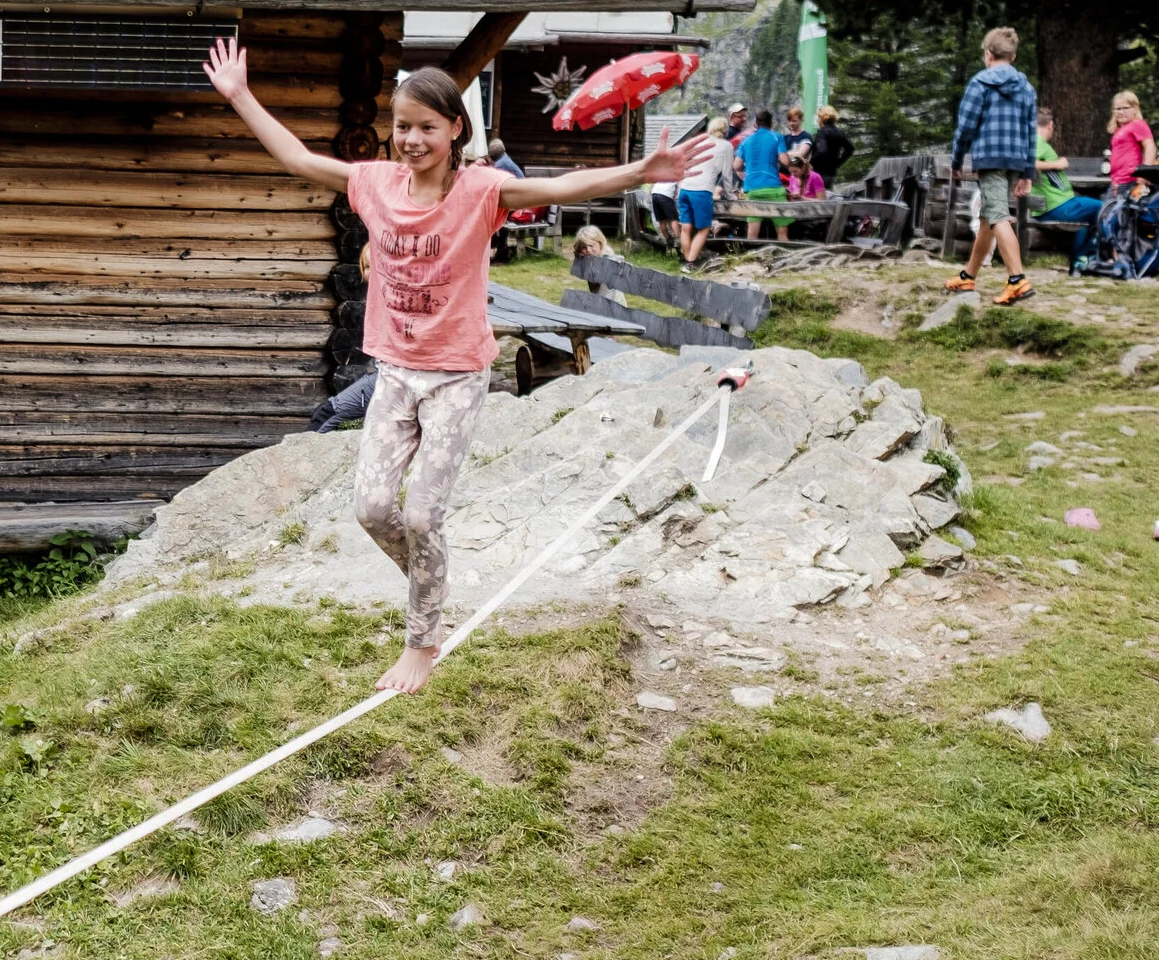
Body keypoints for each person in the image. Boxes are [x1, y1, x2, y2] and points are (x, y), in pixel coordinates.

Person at [202, 38, 710, 694]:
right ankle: (428, 585)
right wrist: (241, 94)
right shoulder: (374, 184)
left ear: (455, 131)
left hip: (457, 377)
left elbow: (557, 185)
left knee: (421, 518)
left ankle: (423, 640)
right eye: (401, 128)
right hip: (395, 372)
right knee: (372, 508)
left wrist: (638, 173)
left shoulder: (480, 191)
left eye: (425, 128)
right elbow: (299, 158)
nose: (411, 140)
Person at [945, 26, 1038, 305]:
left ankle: (1017, 280)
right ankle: (968, 276)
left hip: (990, 158)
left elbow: (965, 127)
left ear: (988, 54)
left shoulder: (980, 83)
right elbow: (1031, 132)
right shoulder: (1027, 87)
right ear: (1013, 55)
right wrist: (1027, 171)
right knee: (987, 218)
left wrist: (957, 159)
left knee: (997, 215)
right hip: (1015, 159)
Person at [1034, 107, 1102, 264]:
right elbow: (1028, 163)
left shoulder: (1034, 142)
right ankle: (1087, 254)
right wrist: (1057, 163)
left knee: (1083, 220)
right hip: (1056, 206)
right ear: (1050, 125)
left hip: (1050, 205)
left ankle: (1079, 259)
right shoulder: (1037, 141)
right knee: (1105, 208)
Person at [676, 118, 732, 272]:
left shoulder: (700, 141)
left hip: (685, 188)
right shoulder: (726, 146)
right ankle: (690, 263)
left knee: (686, 228)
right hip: (702, 190)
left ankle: (687, 263)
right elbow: (727, 175)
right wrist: (731, 196)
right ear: (725, 130)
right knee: (704, 229)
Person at [736, 109, 790, 240]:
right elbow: (785, 161)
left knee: (752, 234)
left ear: (756, 124)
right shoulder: (777, 137)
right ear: (771, 123)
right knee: (782, 233)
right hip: (774, 190)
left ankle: (749, 258)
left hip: (752, 190)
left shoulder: (745, 141)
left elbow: (736, 166)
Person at [1109, 91, 1156, 190]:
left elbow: (1150, 147)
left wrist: (1145, 173)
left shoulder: (1138, 124)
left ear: (1135, 109)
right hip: (1117, 181)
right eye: (1118, 109)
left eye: (1125, 108)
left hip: (1131, 180)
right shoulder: (1119, 130)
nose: (1121, 112)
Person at [571, 226, 628, 305]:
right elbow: (593, 287)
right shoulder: (590, 258)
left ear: (600, 243)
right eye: (584, 247)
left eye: (591, 245)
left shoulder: (607, 256)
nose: (588, 250)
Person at [809, 105, 854, 184]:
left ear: (822, 118)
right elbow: (850, 148)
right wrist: (838, 163)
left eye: (819, 117)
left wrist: (810, 163)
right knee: (827, 195)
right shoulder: (839, 132)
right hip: (831, 173)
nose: (818, 120)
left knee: (815, 195)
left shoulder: (822, 132)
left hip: (818, 172)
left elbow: (821, 150)